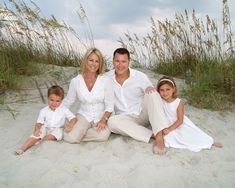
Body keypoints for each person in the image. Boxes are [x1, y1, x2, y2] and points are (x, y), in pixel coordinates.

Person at [106, 48, 169, 155]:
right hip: (124, 119)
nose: (120, 65)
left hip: (142, 115)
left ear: (129, 62)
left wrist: (149, 89)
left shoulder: (140, 76)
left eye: (123, 61)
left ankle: (159, 138)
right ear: (113, 61)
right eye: (117, 61)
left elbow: (153, 98)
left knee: (152, 93)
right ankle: (151, 135)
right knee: (111, 123)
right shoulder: (106, 78)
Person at [156, 76, 222, 152]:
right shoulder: (160, 100)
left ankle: (210, 143)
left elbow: (180, 120)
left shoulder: (178, 102)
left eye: (168, 89)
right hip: (167, 123)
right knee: (168, 137)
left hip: (178, 124)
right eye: (162, 90)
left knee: (189, 135)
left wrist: (169, 129)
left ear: (173, 89)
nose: (165, 93)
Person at [62, 48, 113, 143]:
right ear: (86, 61)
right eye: (91, 60)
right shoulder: (76, 81)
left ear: (100, 64)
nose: (93, 64)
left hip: (100, 116)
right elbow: (68, 101)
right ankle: (75, 133)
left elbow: (110, 104)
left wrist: (103, 120)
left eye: (96, 61)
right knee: (70, 138)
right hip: (84, 115)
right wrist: (55, 114)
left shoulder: (106, 80)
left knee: (103, 136)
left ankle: (78, 133)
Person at [15, 85, 77, 155]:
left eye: (57, 101)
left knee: (58, 133)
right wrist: (37, 130)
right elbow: (39, 123)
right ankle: (22, 148)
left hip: (57, 128)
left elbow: (73, 118)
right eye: (52, 100)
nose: (54, 103)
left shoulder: (64, 110)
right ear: (48, 98)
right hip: (46, 127)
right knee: (36, 135)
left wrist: (70, 125)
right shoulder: (43, 111)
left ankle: (41, 140)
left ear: (61, 101)